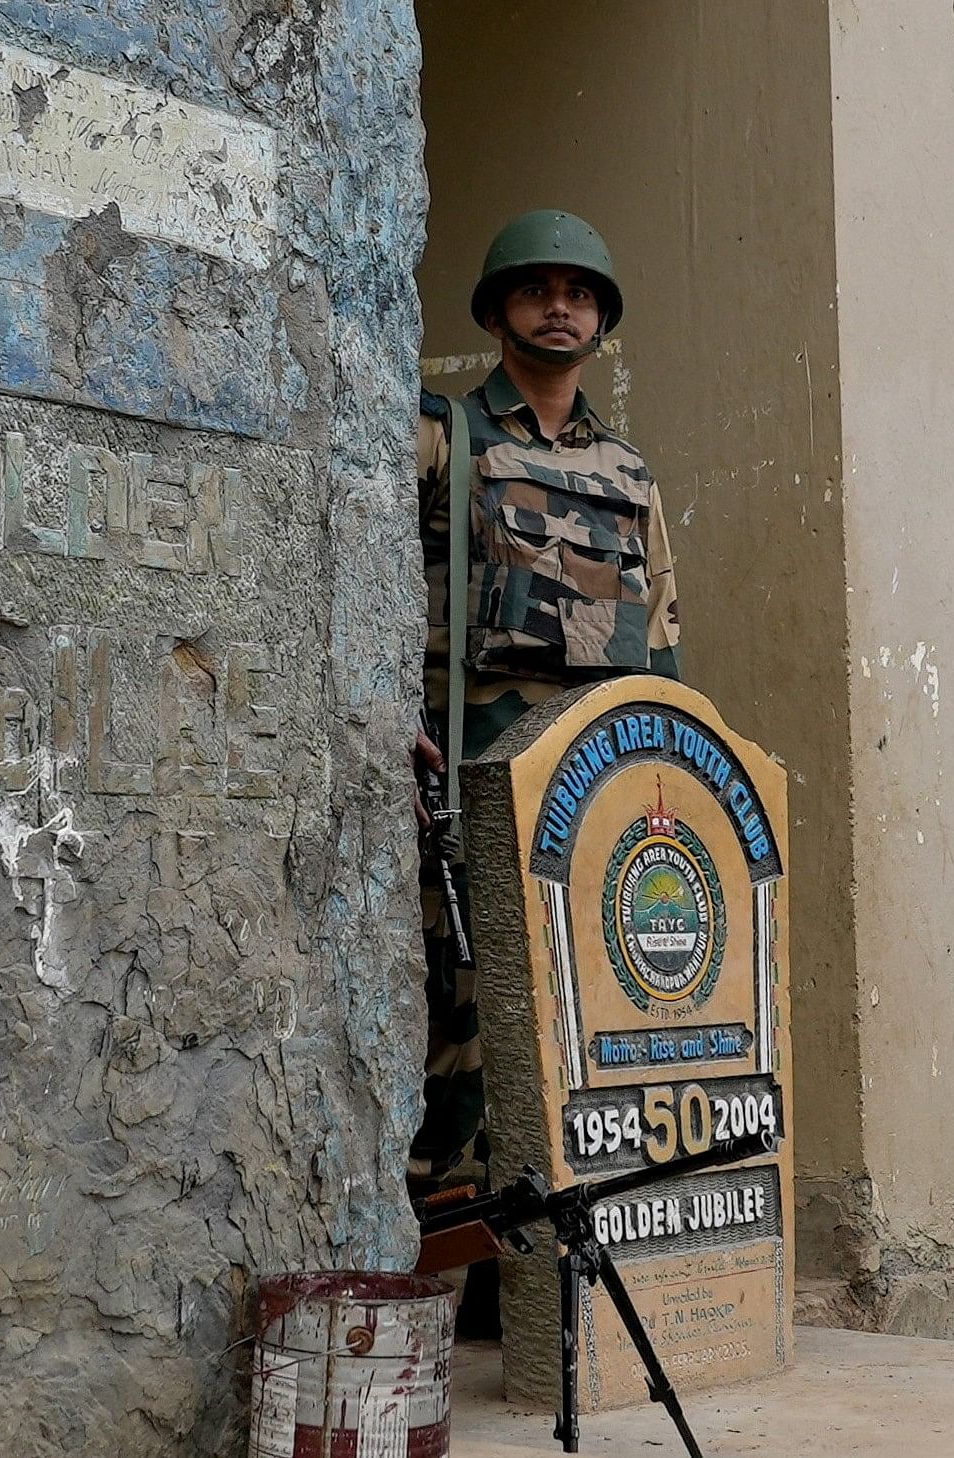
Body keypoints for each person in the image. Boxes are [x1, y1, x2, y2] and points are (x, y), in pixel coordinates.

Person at [410, 210, 681, 1199]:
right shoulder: (442, 435)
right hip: (459, 776)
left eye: (578, 294)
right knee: (457, 1023)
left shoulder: (628, 472)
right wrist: (388, 722)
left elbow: (659, 640)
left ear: (600, 318)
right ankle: (432, 1248)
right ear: (495, 315)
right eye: (536, 290)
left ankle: (523, 1270)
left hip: (580, 788)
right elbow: (360, 580)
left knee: (572, 1016)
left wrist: (662, 779)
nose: (558, 308)